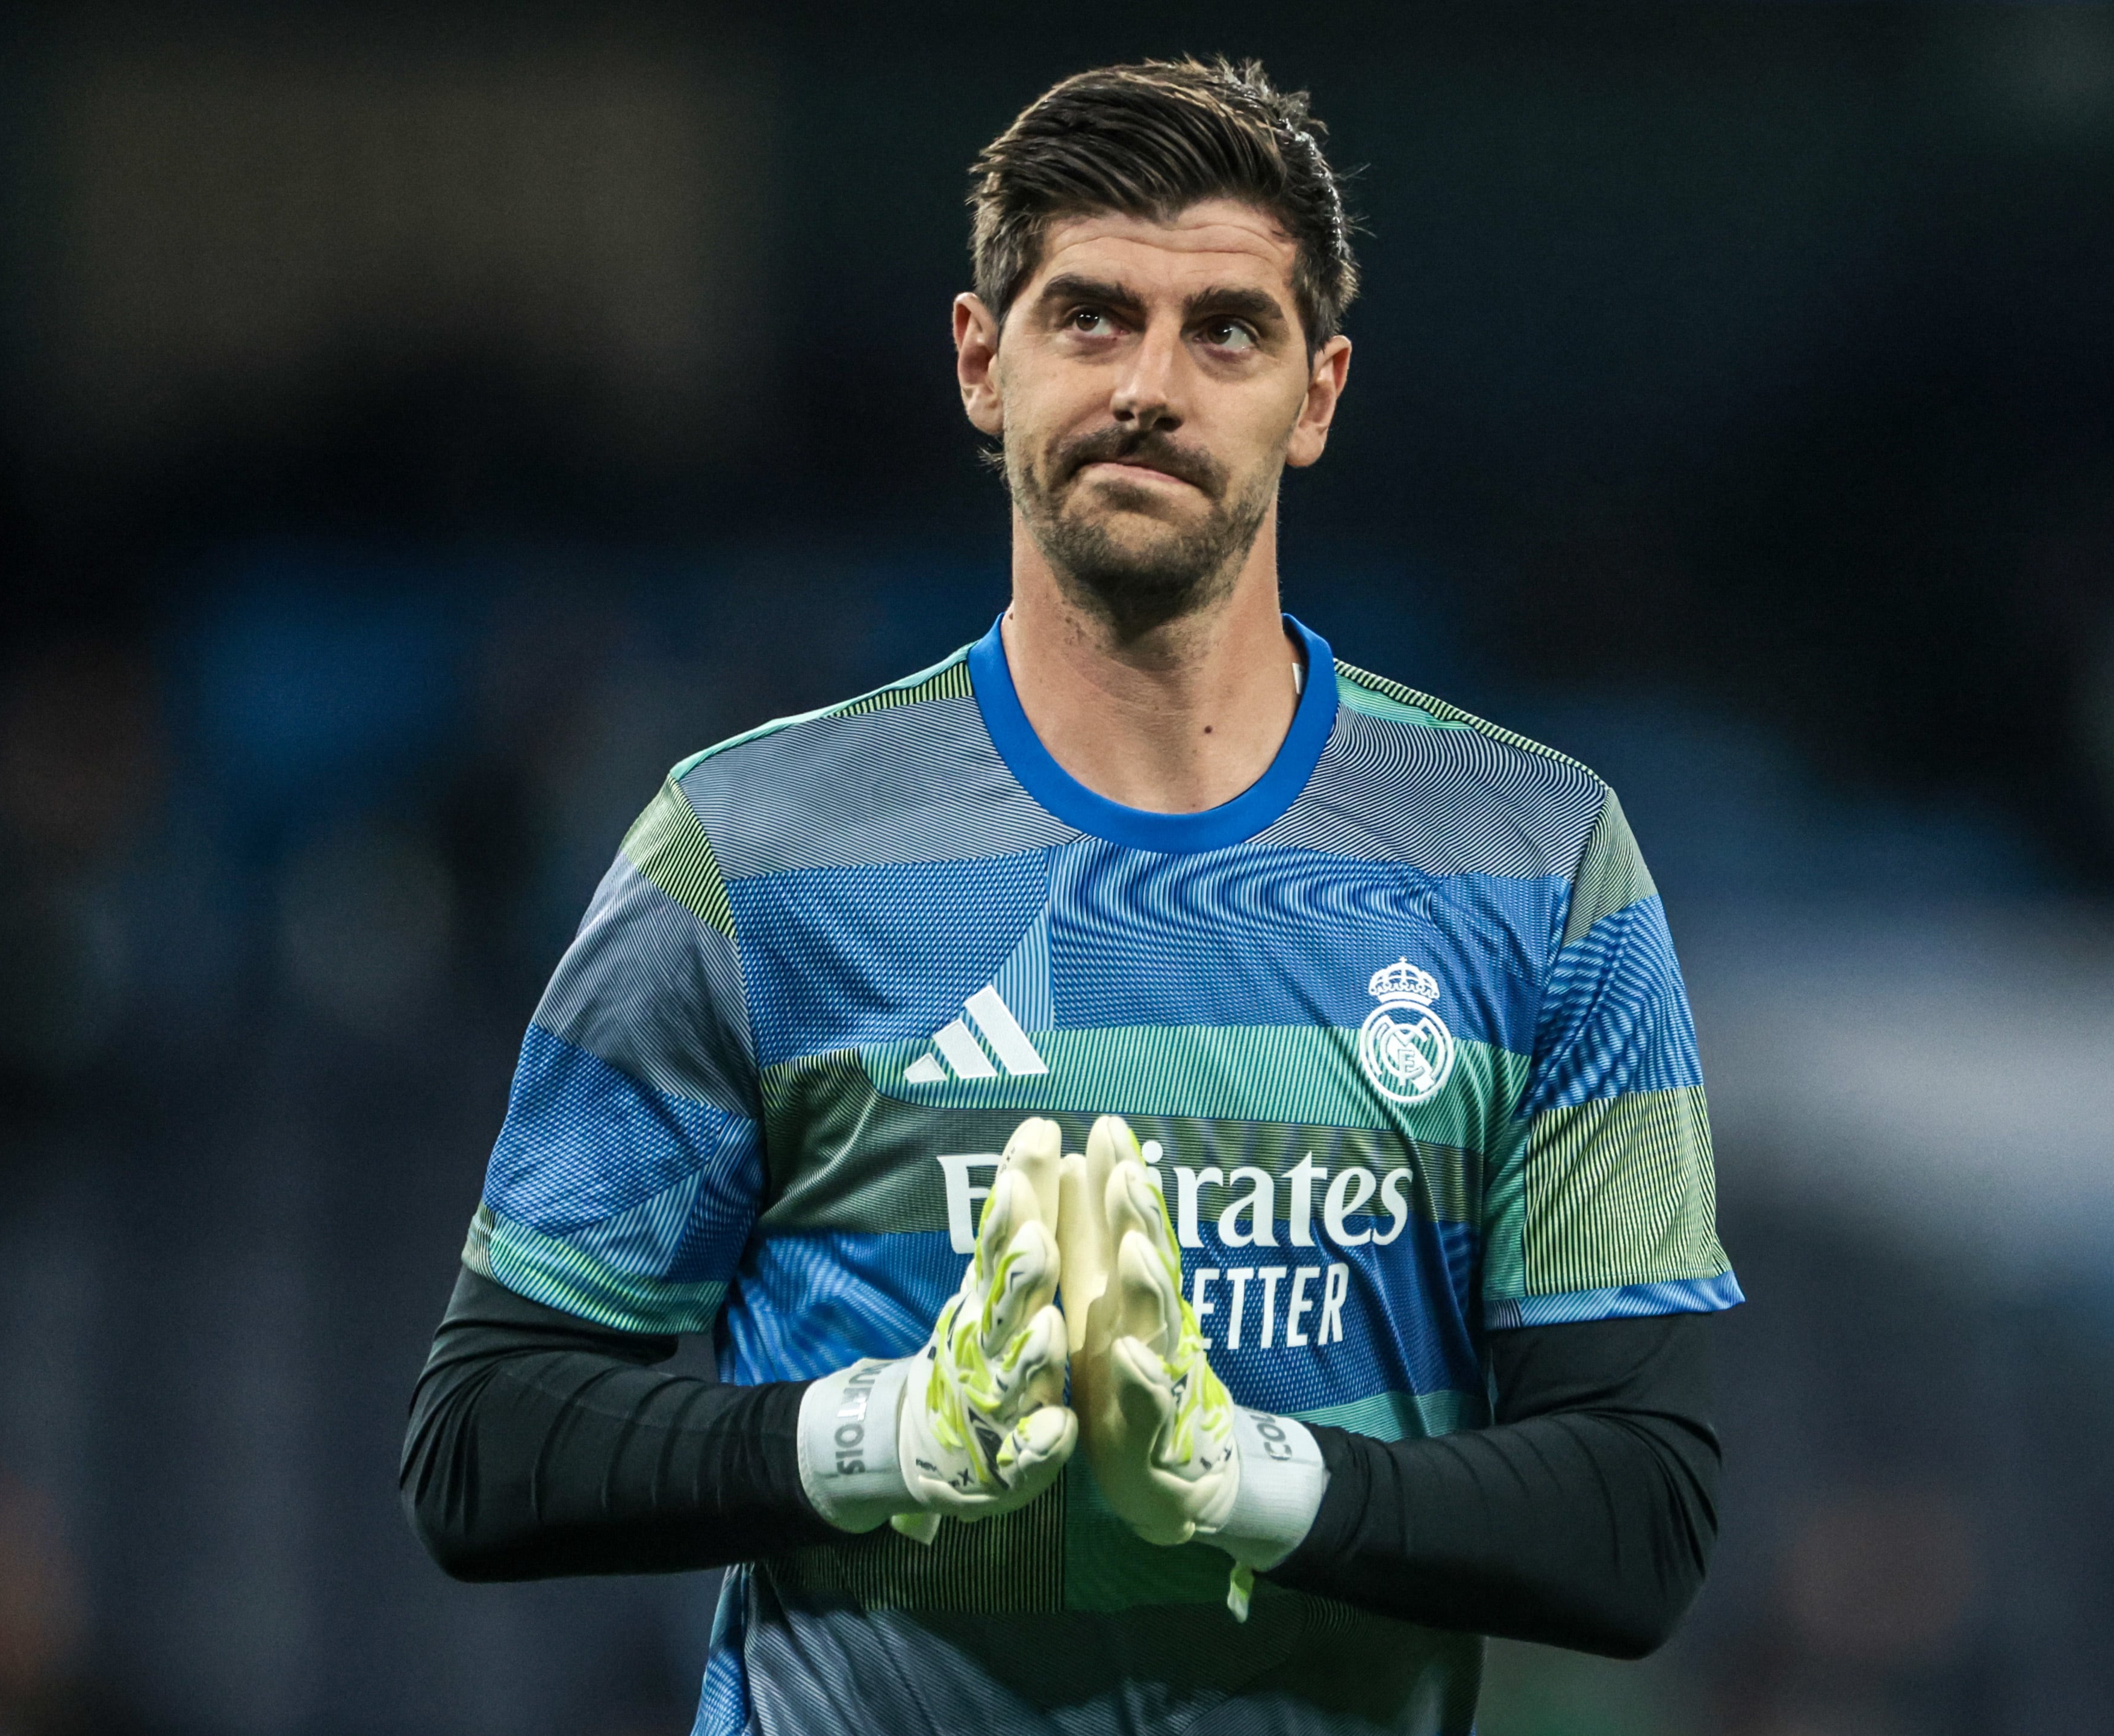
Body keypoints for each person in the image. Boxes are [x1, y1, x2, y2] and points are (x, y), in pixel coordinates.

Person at [403, 56, 1739, 1735]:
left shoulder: (1539, 863)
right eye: (1091, 318)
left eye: (1227, 333)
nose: (1151, 388)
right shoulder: (749, 847)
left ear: (1318, 395)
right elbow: (483, 1445)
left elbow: (1642, 1518)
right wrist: (885, 1436)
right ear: (985, 360)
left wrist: (1251, 1477)